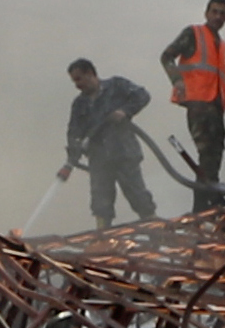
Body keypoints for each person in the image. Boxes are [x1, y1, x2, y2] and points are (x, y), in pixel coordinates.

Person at [154, 0, 225, 208]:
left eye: (222, 13)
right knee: (207, 154)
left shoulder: (221, 46)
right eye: (214, 12)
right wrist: (177, 81)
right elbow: (166, 56)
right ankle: (205, 205)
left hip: (215, 106)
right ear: (206, 13)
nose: (218, 16)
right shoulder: (193, 34)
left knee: (215, 154)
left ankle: (206, 202)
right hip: (198, 105)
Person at [54, 59, 159, 226]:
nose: (77, 85)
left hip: (124, 152)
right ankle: (102, 237)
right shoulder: (79, 104)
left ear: (90, 74)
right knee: (101, 203)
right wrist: (74, 148)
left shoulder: (117, 86)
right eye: (74, 81)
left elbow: (143, 96)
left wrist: (125, 111)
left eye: (79, 79)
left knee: (138, 195)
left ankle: (155, 229)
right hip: (98, 159)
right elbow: (73, 130)